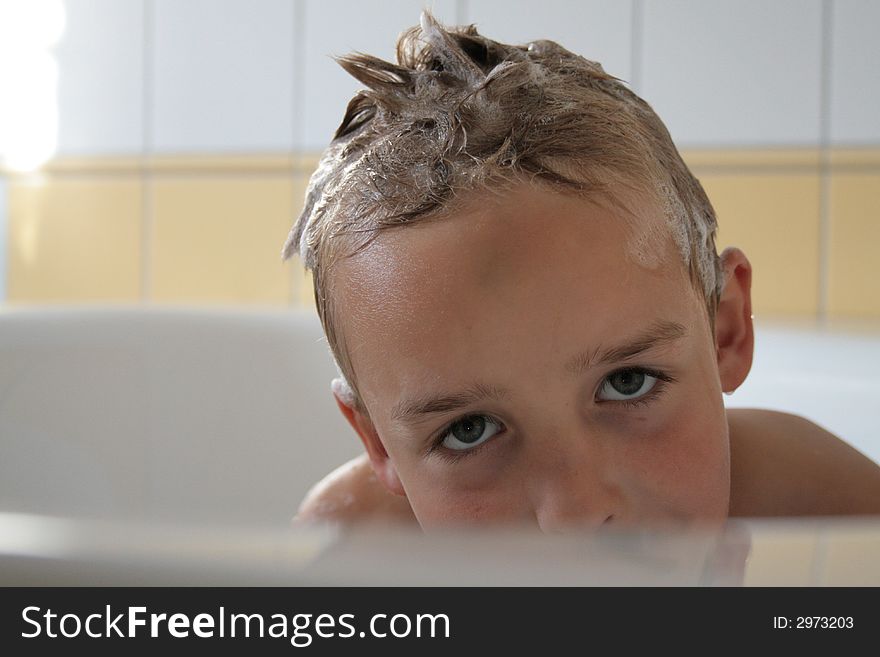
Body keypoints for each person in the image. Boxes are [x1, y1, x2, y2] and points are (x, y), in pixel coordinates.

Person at [282, 12, 880, 531]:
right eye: (469, 430)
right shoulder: (358, 553)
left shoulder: (828, 516)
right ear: (379, 443)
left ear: (726, 331)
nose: (575, 514)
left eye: (628, 382)